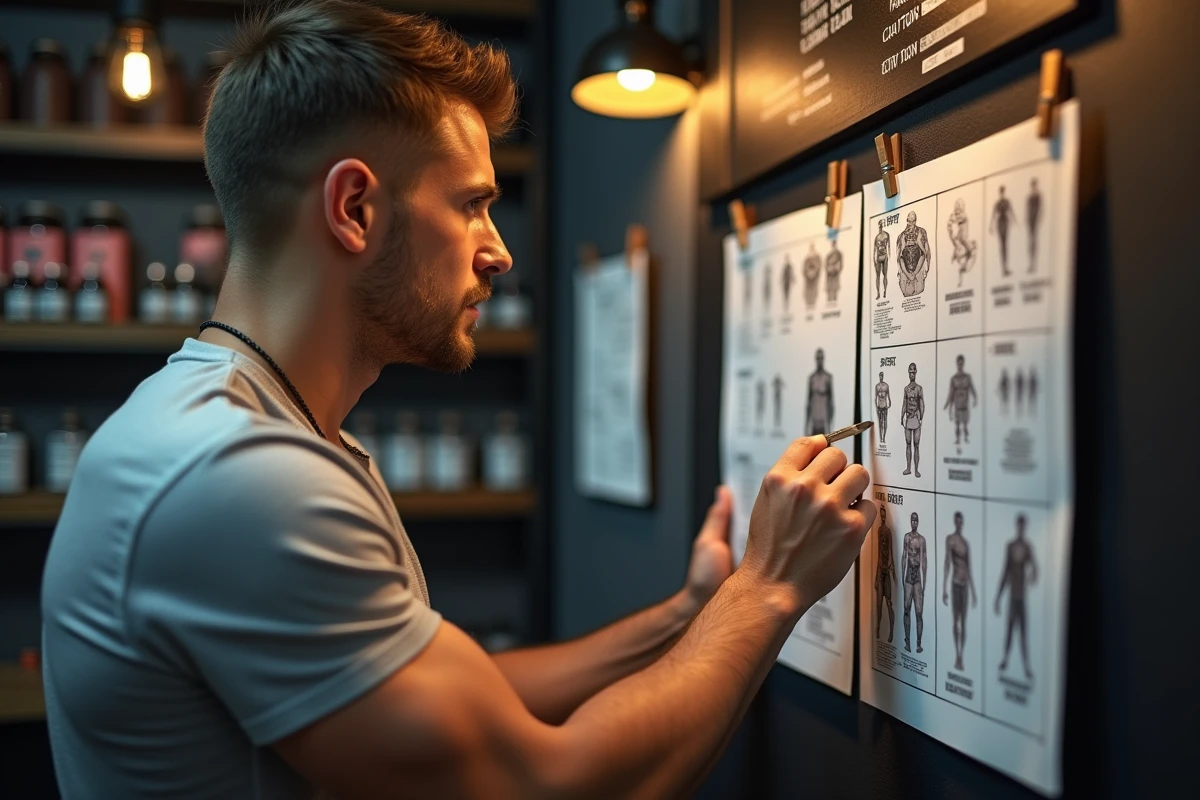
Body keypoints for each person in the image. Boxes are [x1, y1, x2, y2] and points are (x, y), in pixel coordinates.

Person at [39, 4, 878, 797]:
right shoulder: (236, 476)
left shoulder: (262, 428)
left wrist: (687, 617)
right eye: (473, 204)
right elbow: (545, 784)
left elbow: (444, 696)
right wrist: (766, 587)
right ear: (355, 208)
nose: (500, 252)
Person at [995, 514, 1039, 680]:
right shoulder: (1011, 546)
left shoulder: (1027, 547)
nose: (1021, 528)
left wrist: (1033, 577)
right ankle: (1005, 660)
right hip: (1013, 596)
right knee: (1009, 631)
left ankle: (1026, 666)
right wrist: (998, 598)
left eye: (1023, 525)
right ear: (1017, 526)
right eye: (1019, 525)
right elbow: (1005, 571)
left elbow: (1035, 567)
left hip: (1022, 596)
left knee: (1023, 633)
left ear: (1024, 527)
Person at [942, 512, 977, 672]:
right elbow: (947, 562)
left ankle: (961, 656)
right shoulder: (951, 540)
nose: (958, 524)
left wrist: (974, 592)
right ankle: (957, 654)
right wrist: (944, 589)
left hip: (965, 586)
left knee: (964, 622)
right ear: (955, 522)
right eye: (957, 521)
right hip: (955, 584)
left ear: (962, 523)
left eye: (960, 522)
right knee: (956, 621)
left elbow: (969, 568)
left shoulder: (965, 543)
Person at [901, 512, 928, 654]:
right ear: (910, 522)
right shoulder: (906, 537)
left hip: (917, 579)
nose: (914, 523)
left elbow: (924, 561)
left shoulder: (922, 540)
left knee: (918, 612)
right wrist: (901, 577)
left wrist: (925, 583)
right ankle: (907, 641)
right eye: (912, 520)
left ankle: (918, 644)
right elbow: (904, 557)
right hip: (908, 579)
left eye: (916, 521)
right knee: (906, 610)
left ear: (918, 522)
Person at [943, 354, 978, 445]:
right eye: (958, 364)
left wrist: (975, 398)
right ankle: (958, 439)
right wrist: (947, 406)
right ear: (957, 364)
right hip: (957, 405)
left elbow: (972, 388)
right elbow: (951, 394)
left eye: (961, 364)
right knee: (957, 424)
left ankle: (966, 438)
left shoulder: (967, 377)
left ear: (963, 364)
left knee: (965, 424)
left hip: (965, 404)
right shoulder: (954, 379)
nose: (960, 365)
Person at [895, 211, 930, 297]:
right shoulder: (901, 236)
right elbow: (899, 257)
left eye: (913, 221)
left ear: (915, 221)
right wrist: (904, 273)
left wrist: (925, 268)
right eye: (910, 221)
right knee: (907, 292)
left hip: (918, 268)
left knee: (919, 290)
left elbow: (925, 253)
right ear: (907, 220)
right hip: (905, 271)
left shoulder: (921, 232)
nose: (911, 223)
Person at [875, 505, 897, 642]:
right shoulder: (878, 530)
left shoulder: (888, 532)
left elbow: (890, 550)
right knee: (878, 603)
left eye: (884, 515)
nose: (882, 517)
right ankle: (877, 629)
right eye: (881, 514)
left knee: (889, 603)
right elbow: (878, 551)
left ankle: (891, 632)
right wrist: (876, 576)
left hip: (887, 570)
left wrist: (891, 568)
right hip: (880, 569)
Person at [900, 362, 925, 478]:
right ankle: (908, 468)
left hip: (916, 418)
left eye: (913, 371)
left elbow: (922, 404)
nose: (912, 374)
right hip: (908, 419)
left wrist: (921, 417)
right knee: (908, 444)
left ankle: (917, 470)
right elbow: (904, 404)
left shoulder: (919, 389)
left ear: (916, 372)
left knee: (916, 445)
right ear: (908, 373)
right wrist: (902, 416)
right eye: (910, 371)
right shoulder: (906, 389)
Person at [946, 197, 976, 287]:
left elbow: (958, 219)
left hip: (966, 243)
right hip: (961, 240)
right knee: (961, 268)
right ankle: (960, 283)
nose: (956, 208)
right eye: (956, 206)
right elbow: (953, 226)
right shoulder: (958, 233)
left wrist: (952, 219)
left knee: (967, 254)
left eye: (958, 206)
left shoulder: (963, 216)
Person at [991, 185, 1018, 277]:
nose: (1002, 193)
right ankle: (1003, 268)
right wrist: (991, 226)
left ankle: (1006, 268)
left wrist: (1015, 221)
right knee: (1002, 245)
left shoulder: (1007, 202)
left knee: (1005, 245)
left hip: (1005, 221)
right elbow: (993, 214)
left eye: (1003, 191)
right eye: (1001, 192)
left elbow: (1011, 211)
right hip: (1000, 222)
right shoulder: (998, 203)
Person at [806, 347, 833, 436]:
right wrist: (807, 425)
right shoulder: (812, 378)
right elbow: (808, 403)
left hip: (824, 421)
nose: (819, 360)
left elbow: (831, 402)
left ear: (823, 359)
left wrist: (830, 426)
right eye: (818, 358)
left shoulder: (828, 378)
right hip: (814, 421)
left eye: (821, 358)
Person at [1027, 177, 1042, 274]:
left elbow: (1040, 210)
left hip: (1036, 222)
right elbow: (1028, 211)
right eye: (1032, 185)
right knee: (1030, 242)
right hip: (1031, 222)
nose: (1033, 187)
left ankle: (1035, 264)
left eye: (1034, 185)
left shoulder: (1038, 197)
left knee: (1035, 241)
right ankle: (1031, 264)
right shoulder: (1030, 198)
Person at [873, 218, 890, 300]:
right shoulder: (876, 237)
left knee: (885, 275)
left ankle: (885, 292)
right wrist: (874, 260)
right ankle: (878, 293)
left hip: (884, 256)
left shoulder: (886, 235)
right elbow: (875, 249)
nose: (880, 226)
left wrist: (888, 257)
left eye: (881, 225)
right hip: (878, 257)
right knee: (878, 276)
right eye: (880, 225)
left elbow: (888, 247)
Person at [803, 242, 822, 309]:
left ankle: (813, 305)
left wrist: (814, 273)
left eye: (812, 247)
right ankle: (808, 304)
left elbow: (819, 267)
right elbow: (804, 270)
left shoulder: (817, 257)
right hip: (808, 280)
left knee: (814, 292)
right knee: (808, 294)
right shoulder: (807, 258)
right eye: (810, 248)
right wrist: (808, 273)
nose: (811, 249)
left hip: (814, 279)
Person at [875, 371, 891, 444]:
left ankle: (883, 438)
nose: (881, 377)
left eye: (882, 376)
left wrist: (889, 403)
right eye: (880, 376)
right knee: (880, 423)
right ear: (879, 376)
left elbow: (888, 396)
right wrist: (876, 407)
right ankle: (881, 438)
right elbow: (875, 397)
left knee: (885, 422)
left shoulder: (886, 386)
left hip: (884, 406)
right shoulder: (877, 386)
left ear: (883, 376)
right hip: (879, 407)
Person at [824, 238, 842, 303]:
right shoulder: (828, 255)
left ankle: (835, 300)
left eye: (835, 244)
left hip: (835, 274)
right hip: (829, 274)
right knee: (829, 287)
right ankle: (829, 300)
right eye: (833, 244)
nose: (834, 246)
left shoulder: (839, 254)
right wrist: (829, 268)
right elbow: (826, 265)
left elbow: (840, 264)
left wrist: (836, 268)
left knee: (835, 288)